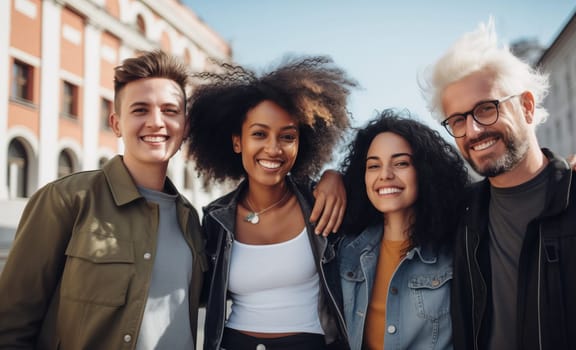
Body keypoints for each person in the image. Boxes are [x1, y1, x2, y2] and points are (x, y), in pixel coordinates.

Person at [427, 20, 576, 350]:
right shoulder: (459, 215)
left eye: (486, 109)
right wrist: (330, 182)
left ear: (527, 106)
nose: (473, 131)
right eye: (458, 120)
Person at [0, 51, 207, 349]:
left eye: (170, 110)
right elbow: (11, 325)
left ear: (185, 127)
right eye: (140, 110)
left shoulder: (190, 218)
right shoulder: (67, 199)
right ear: (116, 123)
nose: (156, 122)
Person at [187, 56, 356, 350]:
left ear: (301, 142)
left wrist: (337, 176)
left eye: (287, 136)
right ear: (237, 141)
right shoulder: (215, 219)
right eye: (259, 134)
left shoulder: (322, 204)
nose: (273, 148)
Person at [337, 110, 468, 350]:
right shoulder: (346, 250)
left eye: (400, 163)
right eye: (373, 166)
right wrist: (329, 177)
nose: (385, 175)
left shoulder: (458, 248)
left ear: (424, 171)